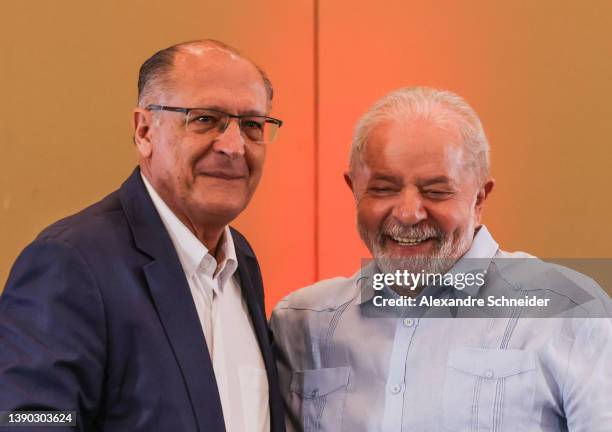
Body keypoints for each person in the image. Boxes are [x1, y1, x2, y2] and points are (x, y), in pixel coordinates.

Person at [270, 87, 612, 431]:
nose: (407, 214)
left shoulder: (569, 312)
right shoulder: (301, 325)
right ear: (354, 190)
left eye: (436, 191)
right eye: (384, 188)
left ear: (479, 199)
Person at [0, 39, 285, 432]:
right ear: (144, 130)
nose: (234, 146)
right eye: (205, 118)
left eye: (252, 125)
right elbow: (26, 419)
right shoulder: (72, 262)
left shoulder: (242, 262)